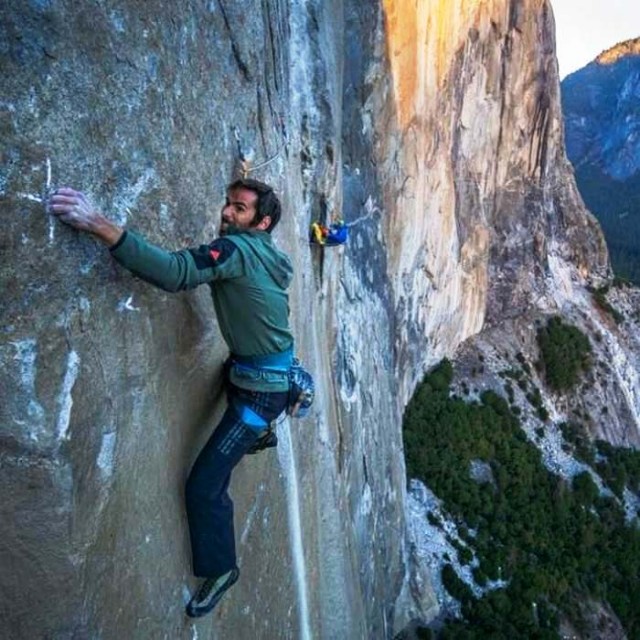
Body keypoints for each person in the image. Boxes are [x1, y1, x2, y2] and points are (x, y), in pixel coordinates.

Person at [48, 178, 295, 618]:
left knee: (203, 485)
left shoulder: (235, 251)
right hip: (260, 373)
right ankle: (259, 430)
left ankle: (222, 569)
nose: (226, 213)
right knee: (232, 377)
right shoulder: (268, 252)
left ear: (262, 222)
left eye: (239, 209)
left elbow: (175, 273)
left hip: (261, 395)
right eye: (228, 204)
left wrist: (99, 225)